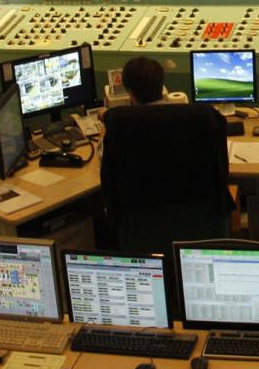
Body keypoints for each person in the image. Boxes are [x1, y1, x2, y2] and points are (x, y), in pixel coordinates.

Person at [100, 55, 243, 236]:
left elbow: (104, 160)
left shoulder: (118, 123)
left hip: (141, 230)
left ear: (129, 91)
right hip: (203, 223)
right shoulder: (203, 117)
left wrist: (104, 129)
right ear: (162, 86)